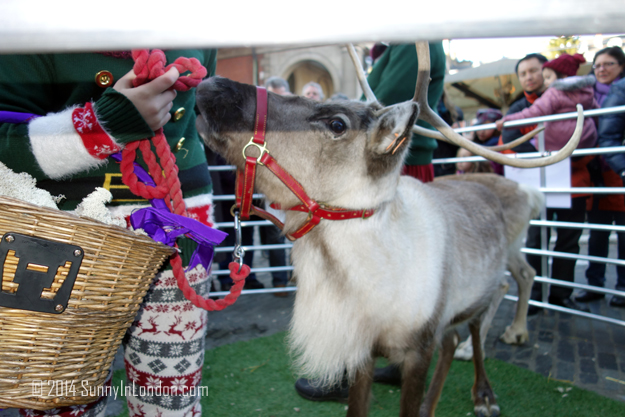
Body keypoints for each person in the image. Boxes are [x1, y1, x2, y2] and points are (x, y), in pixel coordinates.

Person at [0, 50, 217, 417]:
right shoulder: (25, 19)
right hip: (64, 232)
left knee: (171, 402)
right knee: (58, 401)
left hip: (176, 225)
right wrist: (103, 125)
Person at [293, 42, 446, 402]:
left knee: (357, 271)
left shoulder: (414, 42)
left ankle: (345, 372)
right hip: (391, 166)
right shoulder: (403, 44)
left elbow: (382, 107)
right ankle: (392, 362)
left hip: (383, 168)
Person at [496, 53, 599, 314]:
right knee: (535, 239)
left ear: (547, 72)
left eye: (534, 70)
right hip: (536, 183)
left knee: (568, 239)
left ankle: (561, 294)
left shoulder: (569, 97)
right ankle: (535, 294)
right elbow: (506, 146)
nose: (529, 77)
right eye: (523, 73)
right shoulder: (520, 107)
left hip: (573, 180)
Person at [576, 46, 625, 307]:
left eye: (609, 64)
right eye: (597, 65)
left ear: (621, 66)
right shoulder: (585, 96)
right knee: (597, 234)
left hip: (618, 174)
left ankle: (622, 287)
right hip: (597, 175)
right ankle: (593, 285)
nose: (602, 69)